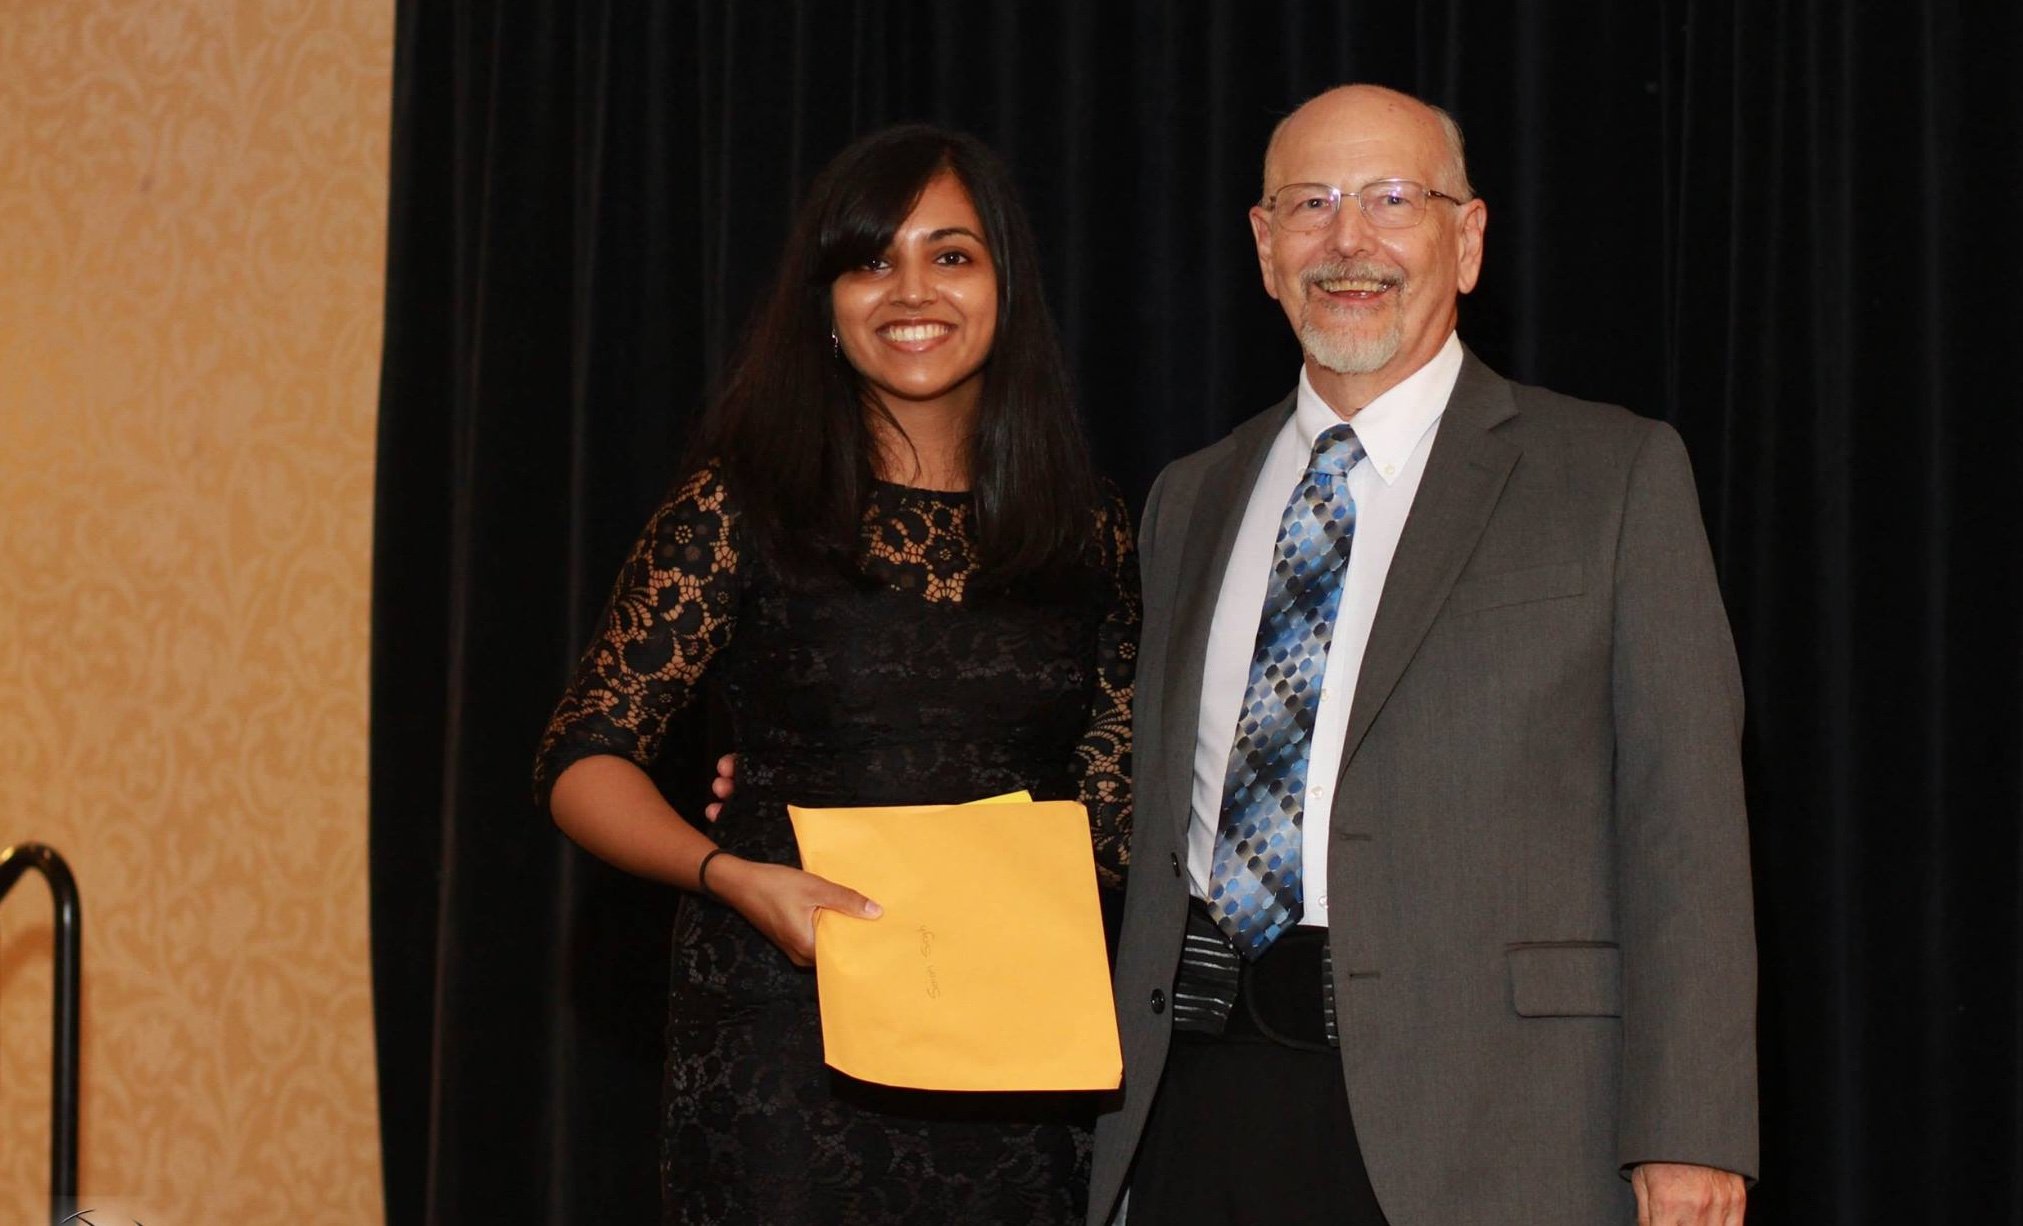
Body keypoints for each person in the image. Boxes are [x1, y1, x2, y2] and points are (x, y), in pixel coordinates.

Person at [1087, 84, 1756, 1225]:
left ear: (1468, 236)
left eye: (1392, 199)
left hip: (1496, 1123)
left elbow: (1682, 823)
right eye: (1311, 204)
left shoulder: (1613, 473)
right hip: (1197, 1101)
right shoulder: (1187, 496)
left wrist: (1688, 1130)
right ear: (1263, 246)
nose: (1349, 241)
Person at [534, 124, 1138, 1225]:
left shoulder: (1091, 530)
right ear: (825, 300)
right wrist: (731, 874)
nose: (912, 291)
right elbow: (582, 756)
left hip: (1016, 1044)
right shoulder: (740, 507)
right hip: (783, 1038)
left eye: (951, 255)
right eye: (871, 259)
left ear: (1006, 284)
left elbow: (1118, 789)